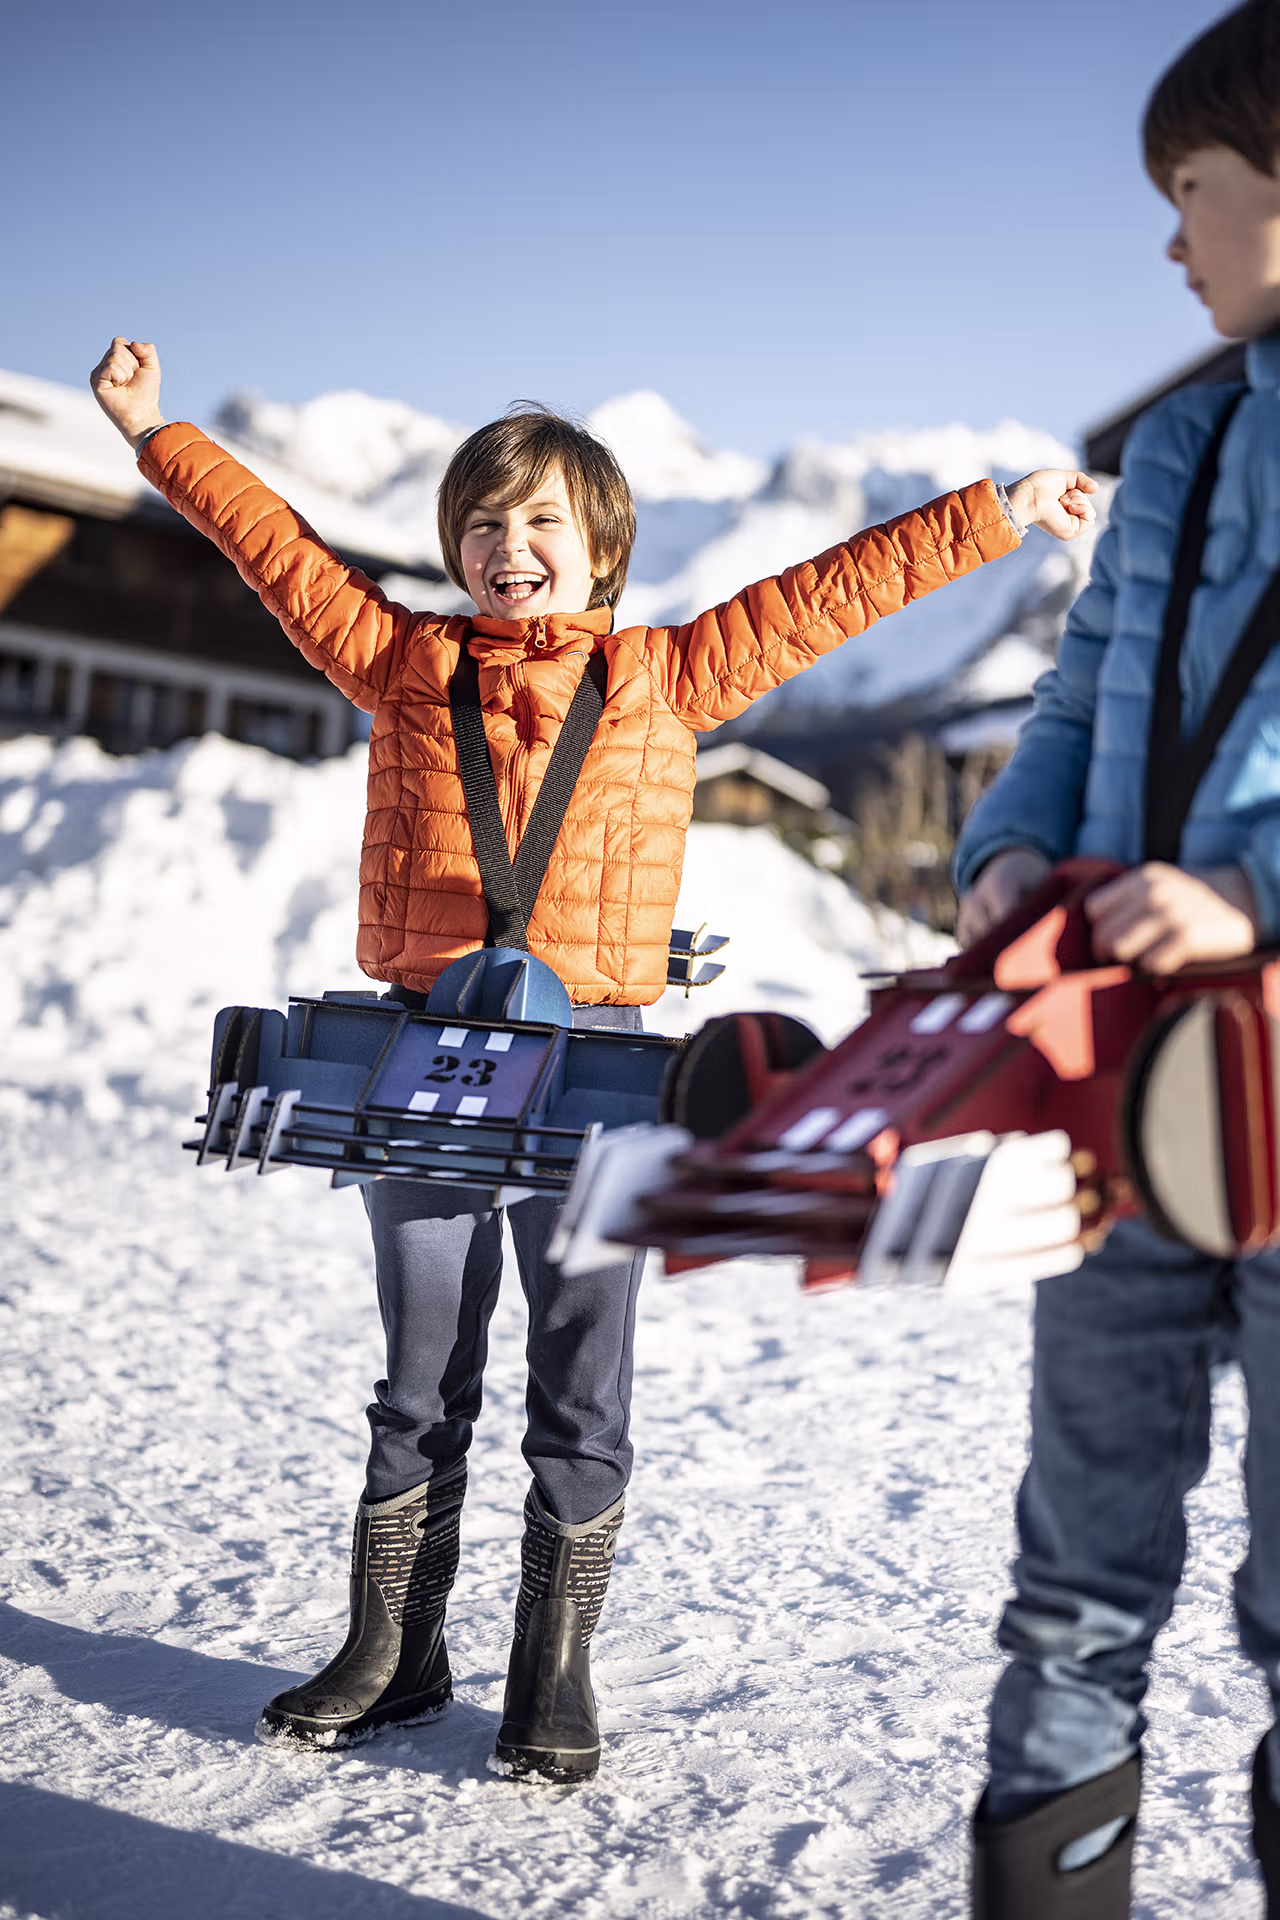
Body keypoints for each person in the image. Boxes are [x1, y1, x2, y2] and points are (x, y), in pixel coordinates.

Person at [91, 339, 1091, 1783]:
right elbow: (273, 548)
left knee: (581, 1361)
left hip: (600, 1061)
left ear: (604, 546)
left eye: (542, 524)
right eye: (485, 529)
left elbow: (837, 588)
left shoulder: (672, 675)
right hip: (424, 1050)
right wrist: (152, 430)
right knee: (419, 1365)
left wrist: (995, 511)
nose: (511, 553)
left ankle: (550, 1670)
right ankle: (393, 1649)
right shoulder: (400, 661)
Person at [953, 5, 1280, 1912]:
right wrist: (1012, 849)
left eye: (1193, 190)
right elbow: (1087, 691)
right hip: (1123, 1087)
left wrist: (1256, 895)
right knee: (1074, 1584)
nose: (1170, 240)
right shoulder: (1173, 440)